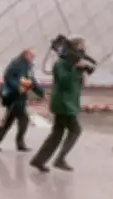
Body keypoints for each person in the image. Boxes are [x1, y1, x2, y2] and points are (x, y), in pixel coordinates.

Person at [30, 36, 94, 173]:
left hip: (67, 103)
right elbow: (65, 82)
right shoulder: (61, 64)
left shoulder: (70, 64)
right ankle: (60, 159)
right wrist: (75, 68)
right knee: (75, 130)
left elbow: (77, 85)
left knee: (57, 134)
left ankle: (39, 160)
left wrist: (82, 72)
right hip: (64, 104)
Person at [0, 49, 44, 152]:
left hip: (21, 96)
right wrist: (18, 87)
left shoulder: (28, 66)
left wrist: (41, 92)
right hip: (14, 96)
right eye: (32, 55)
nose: (33, 58)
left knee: (8, 121)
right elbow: (7, 76)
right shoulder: (17, 63)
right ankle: (19, 143)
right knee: (24, 119)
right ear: (26, 54)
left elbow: (32, 81)